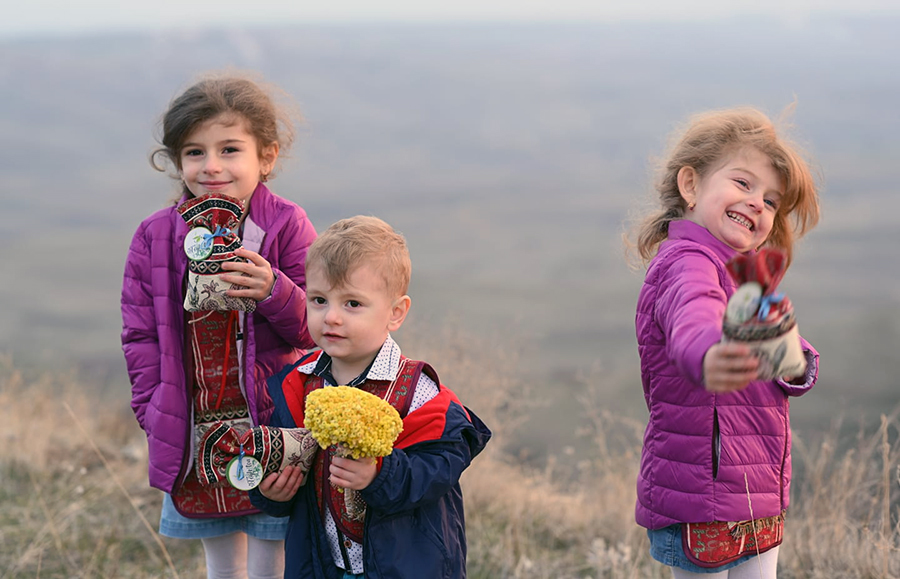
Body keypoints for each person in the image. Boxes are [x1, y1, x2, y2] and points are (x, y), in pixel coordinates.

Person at [121, 74, 317, 579]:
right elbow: (140, 334)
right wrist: (152, 409)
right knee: (223, 565)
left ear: (266, 157)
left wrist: (273, 289)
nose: (211, 166)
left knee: (272, 559)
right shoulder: (155, 236)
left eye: (230, 149)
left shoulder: (286, 226)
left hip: (272, 422)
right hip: (194, 422)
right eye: (193, 152)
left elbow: (315, 330)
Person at [630, 108, 821, 578]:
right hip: (701, 495)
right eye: (743, 183)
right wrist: (711, 352)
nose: (758, 203)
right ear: (691, 186)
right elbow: (693, 319)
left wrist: (794, 361)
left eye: (772, 201)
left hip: (755, 489)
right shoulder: (686, 261)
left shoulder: (746, 271)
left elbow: (783, 354)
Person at [249, 215, 492, 579]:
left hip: (403, 564)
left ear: (395, 313)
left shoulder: (416, 391)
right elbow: (278, 456)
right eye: (318, 300)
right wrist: (271, 492)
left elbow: (444, 463)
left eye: (352, 304)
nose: (331, 317)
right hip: (322, 563)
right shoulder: (298, 386)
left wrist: (381, 473)